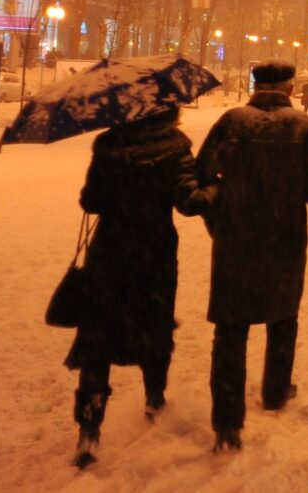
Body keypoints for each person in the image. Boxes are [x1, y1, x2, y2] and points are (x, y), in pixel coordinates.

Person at [196, 60, 308, 454]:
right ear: (289, 87)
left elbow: (200, 177)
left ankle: (227, 422)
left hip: (235, 243)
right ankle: (276, 392)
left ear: (255, 86)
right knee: (283, 319)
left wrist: (221, 216)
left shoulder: (232, 122)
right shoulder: (300, 128)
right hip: (283, 239)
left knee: (230, 329)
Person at [65, 107, 215, 469]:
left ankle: (89, 428)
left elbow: (91, 200)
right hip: (154, 254)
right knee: (155, 325)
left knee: (97, 337)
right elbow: (188, 201)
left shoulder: (109, 145)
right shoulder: (175, 147)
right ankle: (155, 399)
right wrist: (214, 188)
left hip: (110, 253)